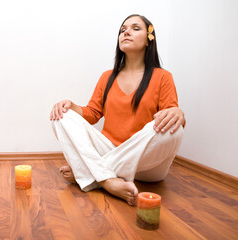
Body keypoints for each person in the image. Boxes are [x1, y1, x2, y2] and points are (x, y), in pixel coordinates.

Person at [50, 14, 185, 206]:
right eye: (123, 30)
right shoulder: (107, 77)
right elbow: (93, 114)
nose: (126, 32)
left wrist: (177, 112)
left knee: (174, 130)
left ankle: (90, 173)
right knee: (60, 116)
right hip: (111, 149)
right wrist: (71, 107)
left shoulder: (163, 77)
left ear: (149, 39)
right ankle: (108, 181)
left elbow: (168, 116)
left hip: (147, 164)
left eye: (135, 28)